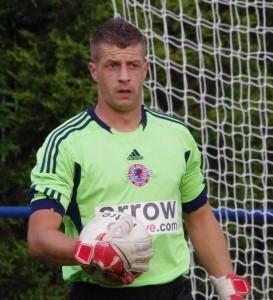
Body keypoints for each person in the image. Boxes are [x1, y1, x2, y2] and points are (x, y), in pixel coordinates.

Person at [27, 17, 250, 300]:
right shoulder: (65, 143)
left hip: (174, 293)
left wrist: (226, 283)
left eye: (132, 65)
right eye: (112, 66)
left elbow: (199, 217)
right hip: (99, 293)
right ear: (94, 71)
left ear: (145, 69)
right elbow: (39, 236)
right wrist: (93, 252)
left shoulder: (177, 135)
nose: (124, 76)